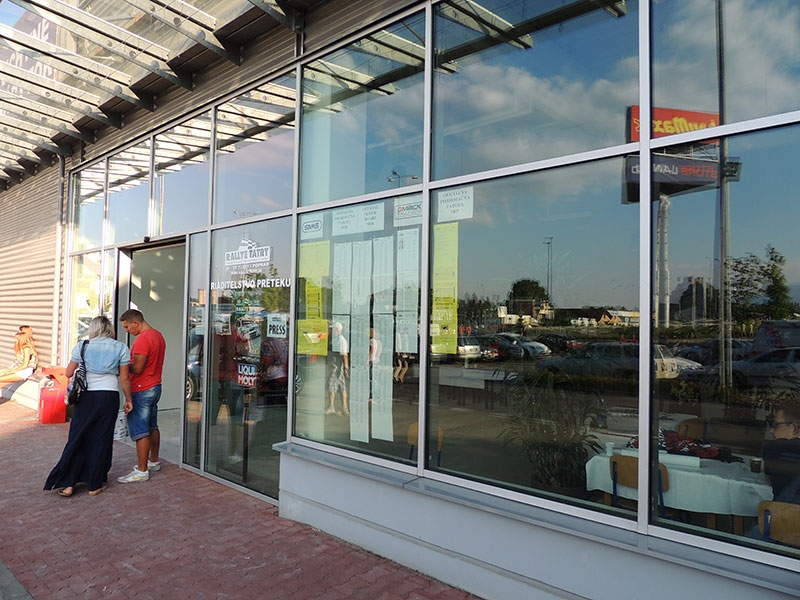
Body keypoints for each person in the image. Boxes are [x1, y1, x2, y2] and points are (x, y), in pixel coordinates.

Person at [44, 316, 132, 497]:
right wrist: (129, 399)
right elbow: (125, 378)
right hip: (108, 396)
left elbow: (68, 372)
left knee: (78, 436)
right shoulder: (121, 347)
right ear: (110, 329)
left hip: (86, 396)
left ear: (93, 329)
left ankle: (68, 483)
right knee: (102, 438)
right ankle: (94, 484)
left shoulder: (83, 346)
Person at [116, 309, 166, 484]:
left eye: (127, 326)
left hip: (141, 388)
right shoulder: (158, 335)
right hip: (155, 386)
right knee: (152, 426)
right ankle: (154, 460)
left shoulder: (143, 339)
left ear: (136, 323)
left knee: (140, 430)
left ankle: (142, 470)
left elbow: (137, 368)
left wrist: (122, 364)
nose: (126, 330)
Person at [763, 406, 800, 504]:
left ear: (794, 428)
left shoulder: (775, 447)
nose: (771, 430)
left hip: (783, 512)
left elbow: (769, 480)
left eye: (776, 425)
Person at [325, 322, 349, 415]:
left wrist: (345, 368)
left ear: (338, 330)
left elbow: (344, 355)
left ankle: (331, 407)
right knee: (342, 387)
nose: (332, 330)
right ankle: (344, 408)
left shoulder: (341, 340)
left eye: (334, 329)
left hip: (337, 368)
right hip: (335, 366)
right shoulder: (335, 339)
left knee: (331, 386)